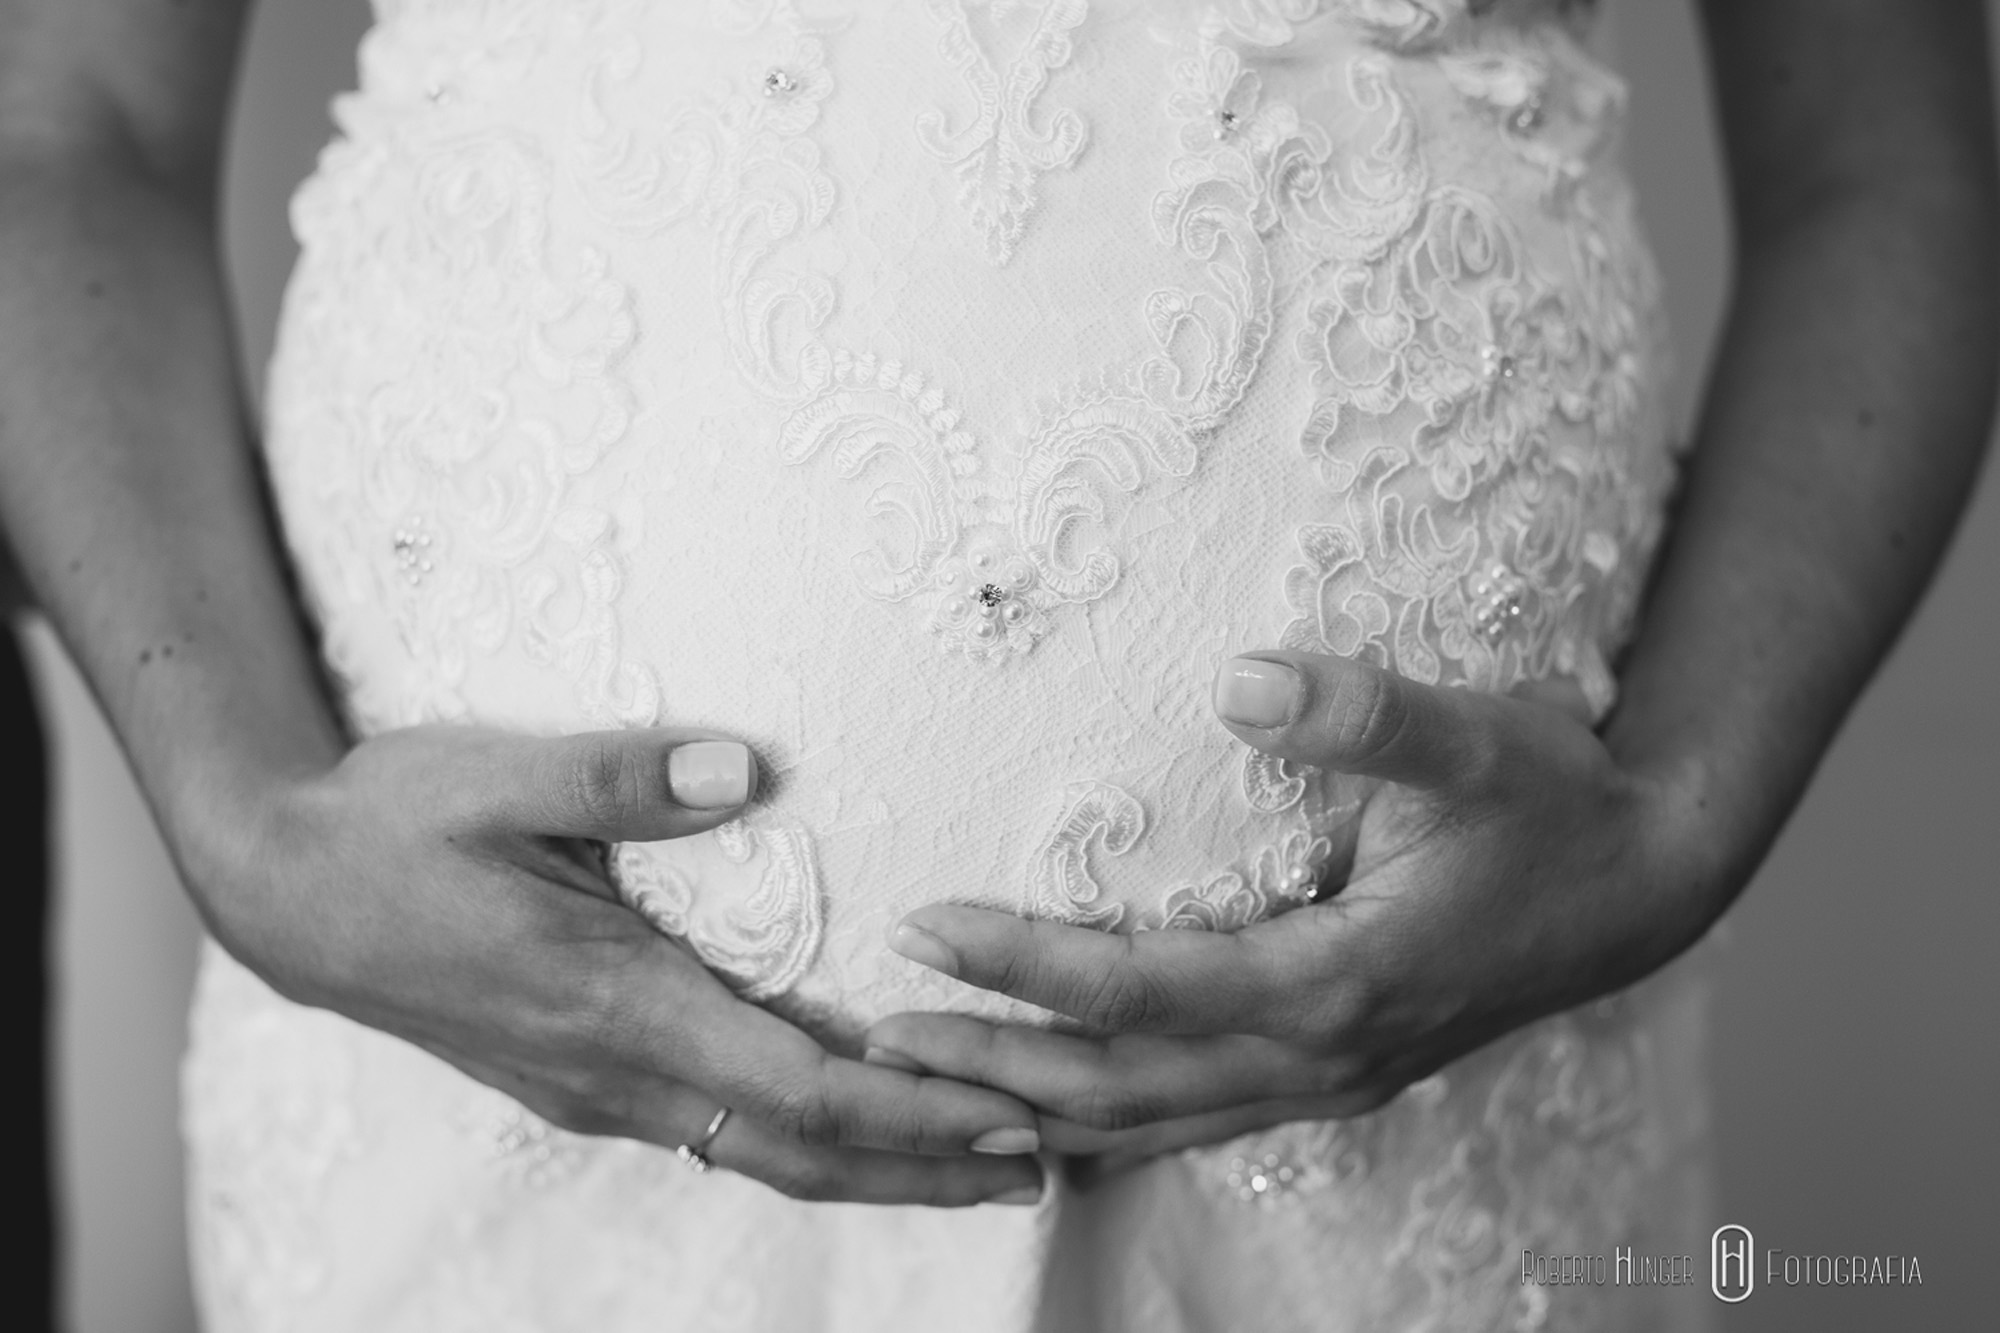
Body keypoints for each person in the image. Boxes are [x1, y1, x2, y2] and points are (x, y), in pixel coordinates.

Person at [0, 0, 1993, 1329]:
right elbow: (62, 124)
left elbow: (1885, 168)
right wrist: (244, 818)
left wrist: (1683, 821)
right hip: (493, 1127)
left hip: (1412, 1147)